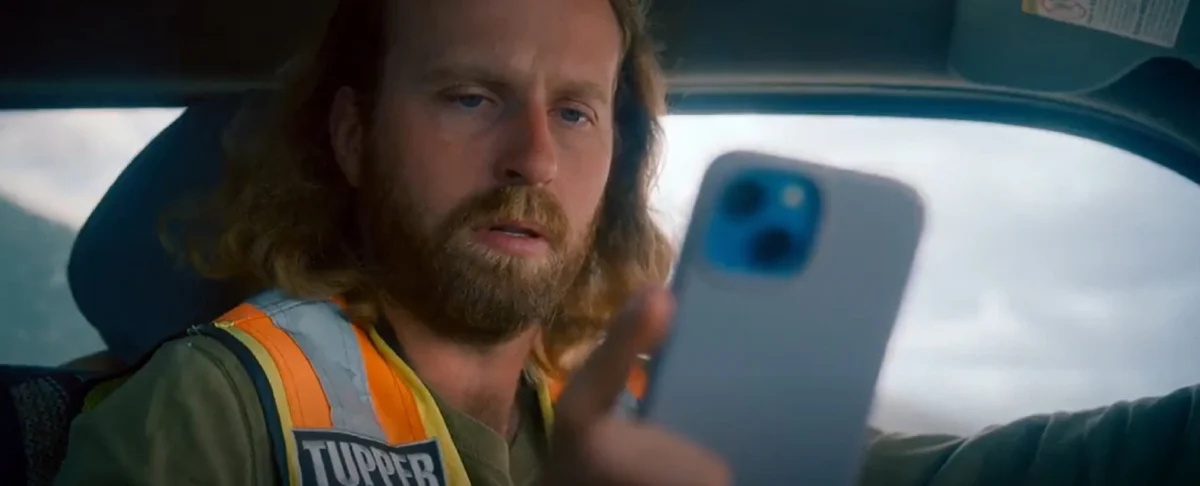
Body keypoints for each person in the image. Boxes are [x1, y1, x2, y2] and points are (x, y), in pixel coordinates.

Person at [53, 0, 1200, 484]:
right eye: (469, 97)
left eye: (575, 112)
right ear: (354, 135)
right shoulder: (215, 410)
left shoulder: (662, 410)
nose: (531, 159)